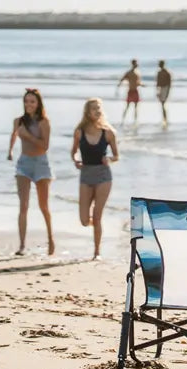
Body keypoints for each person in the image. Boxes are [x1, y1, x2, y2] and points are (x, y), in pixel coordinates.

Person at [6, 88, 55, 256]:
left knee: (43, 206)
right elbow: (14, 135)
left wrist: (27, 136)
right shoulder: (18, 121)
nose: (29, 104)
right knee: (23, 206)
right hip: (24, 164)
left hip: (41, 164)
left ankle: (51, 239)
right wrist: (10, 151)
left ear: (38, 103)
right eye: (26, 101)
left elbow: (45, 145)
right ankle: (21, 245)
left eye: (32, 101)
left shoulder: (44, 122)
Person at [71, 98, 120, 260]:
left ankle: (97, 252)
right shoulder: (79, 131)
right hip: (86, 175)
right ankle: (95, 226)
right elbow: (74, 152)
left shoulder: (108, 132)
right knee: (85, 220)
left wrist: (110, 159)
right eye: (93, 109)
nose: (97, 111)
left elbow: (116, 156)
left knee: (97, 215)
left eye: (99, 108)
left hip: (103, 176)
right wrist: (76, 160)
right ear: (87, 112)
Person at [115, 59, 143, 124]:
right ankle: (123, 120)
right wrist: (118, 87)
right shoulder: (129, 73)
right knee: (127, 106)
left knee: (136, 107)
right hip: (130, 91)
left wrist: (142, 85)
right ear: (133, 64)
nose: (137, 65)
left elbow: (137, 83)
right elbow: (122, 79)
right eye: (136, 63)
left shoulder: (137, 73)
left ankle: (135, 121)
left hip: (136, 91)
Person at [155, 60, 172, 126]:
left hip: (165, 88)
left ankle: (165, 119)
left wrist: (168, 92)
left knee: (163, 104)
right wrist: (157, 91)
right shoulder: (159, 72)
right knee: (162, 104)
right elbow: (157, 82)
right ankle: (164, 119)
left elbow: (169, 83)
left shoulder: (166, 72)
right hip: (161, 89)